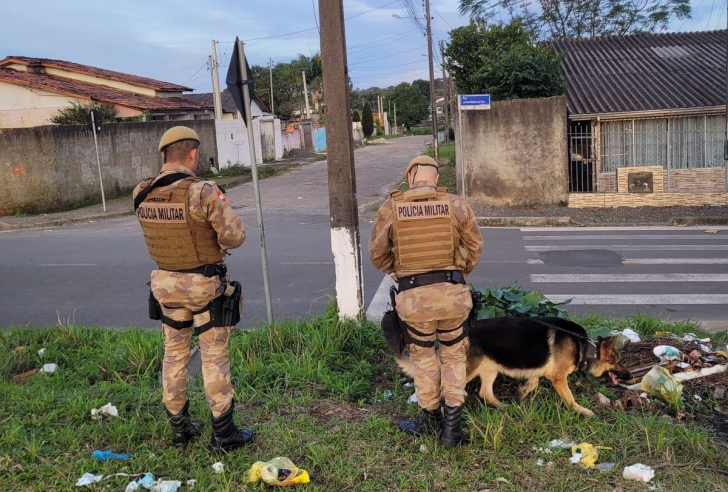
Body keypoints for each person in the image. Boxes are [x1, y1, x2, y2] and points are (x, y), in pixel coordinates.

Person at [133, 126, 253, 453]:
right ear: (192, 154)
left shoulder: (141, 192)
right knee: (213, 357)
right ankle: (224, 435)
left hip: (165, 286)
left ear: (162, 156)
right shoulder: (203, 192)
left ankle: (180, 431)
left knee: (174, 355)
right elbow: (235, 237)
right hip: (204, 286)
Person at [369, 155, 483, 447]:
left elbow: (378, 255)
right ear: (435, 180)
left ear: (410, 178)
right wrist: (457, 272)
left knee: (423, 360)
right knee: (454, 356)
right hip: (454, 297)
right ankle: (452, 429)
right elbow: (474, 248)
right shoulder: (456, 205)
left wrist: (402, 273)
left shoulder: (391, 207)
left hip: (414, 299)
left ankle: (430, 420)